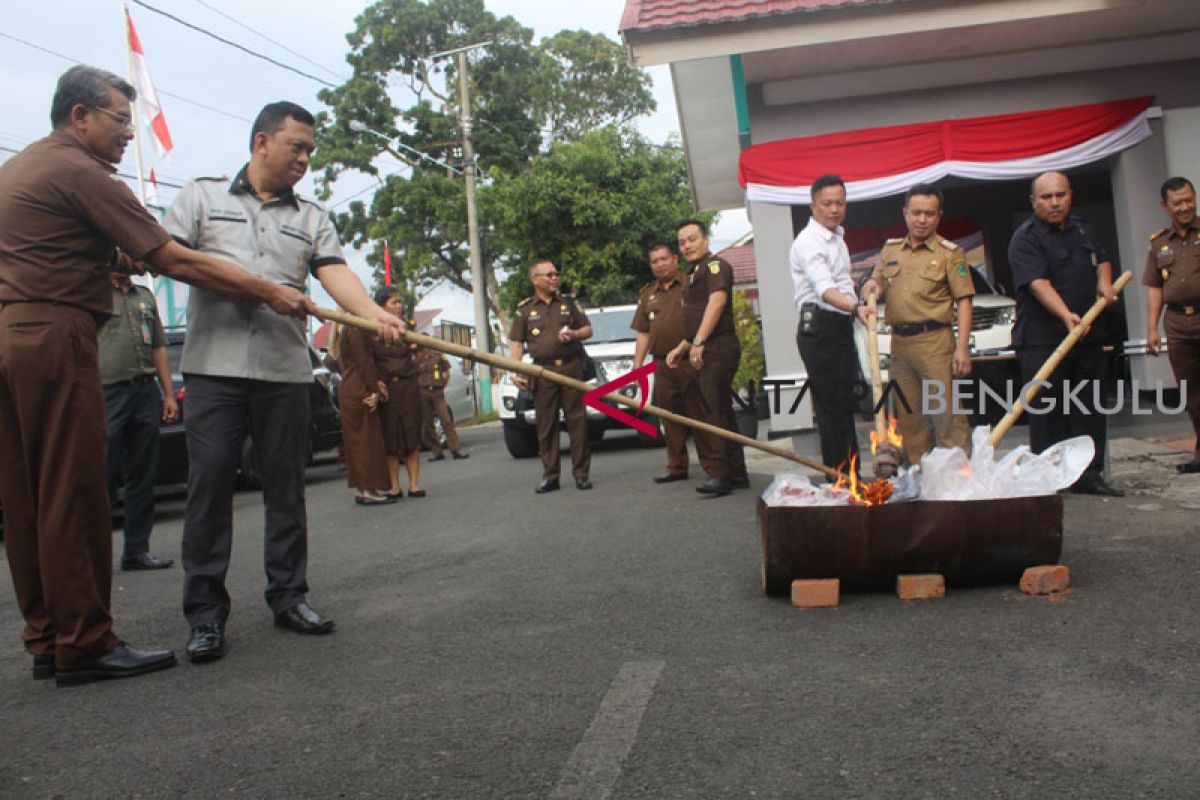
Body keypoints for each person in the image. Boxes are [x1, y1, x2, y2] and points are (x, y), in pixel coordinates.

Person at [0, 65, 318, 686]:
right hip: (55, 336)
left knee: (27, 498)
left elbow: (110, 252)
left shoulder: (21, 168)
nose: (127, 134)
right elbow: (168, 256)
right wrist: (265, 289)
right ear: (80, 117)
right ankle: (85, 642)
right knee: (75, 492)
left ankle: (46, 635)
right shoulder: (80, 172)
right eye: (121, 120)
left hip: (13, 333)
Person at [162, 101, 403, 664]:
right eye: (296, 146)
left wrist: (376, 314)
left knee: (286, 492)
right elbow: (170, 258)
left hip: (284, 372)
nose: (304, 159)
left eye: (310, 151)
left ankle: (289, 596)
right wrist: (258, 288)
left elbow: (335, 273)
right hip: (214, 371)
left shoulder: (312, 216)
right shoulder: (202, 197)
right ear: (261, 141)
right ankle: (204, 615)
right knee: (209, 491)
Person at [1008, 170, 1123, 497]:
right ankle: (1048, 479)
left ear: (1070, 195)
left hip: (1088, 335)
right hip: (1044, 339)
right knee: (1048, 409)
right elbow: (1037, 283)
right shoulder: (1025, 237)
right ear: (1034, 201)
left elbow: (1102, 259)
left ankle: (1089, 474)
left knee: (1088, 406)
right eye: (1047, 197)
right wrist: (1065, 316)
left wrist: (1104, 280)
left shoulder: (1082, 227)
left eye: (1061, 195)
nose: (1055, 202)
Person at [860, 184, 975, 463]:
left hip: (935, 343)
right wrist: (871, 287)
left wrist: (962, 348)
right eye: (916, 213)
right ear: (905, 214)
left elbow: (964, 300)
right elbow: (877, 281)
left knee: (946, 416)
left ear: (938, 217)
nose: (922, 219)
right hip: (900, 346)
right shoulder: (890, 251)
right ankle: (920, 481)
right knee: (911, 419)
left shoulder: (950, 253)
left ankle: (960, 481)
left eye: (929, 213)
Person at [787, 174, 871, 476]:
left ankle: (851, 474)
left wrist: (862, 295)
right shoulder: (809, 242)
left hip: (840, 324)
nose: (834, 209)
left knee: (845, 405)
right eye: (827, 204)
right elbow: (825, 289)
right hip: (820, 328)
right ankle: (839, 476)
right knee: (831, 408)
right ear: (813, 205)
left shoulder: (838, 238)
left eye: (839, 203)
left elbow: (844, 285)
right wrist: (855, 308)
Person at [99, 271, 179, 570]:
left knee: (142, 475)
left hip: (145, 391)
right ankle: (95, 555)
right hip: (106, 392)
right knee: (101, 475)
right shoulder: (93, 290)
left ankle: (136, 550)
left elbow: (158, 346)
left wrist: (168, 394)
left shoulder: (144, 296)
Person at [665, 220, 749, 496]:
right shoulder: (694, 273)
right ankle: (737, 473)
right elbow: (697, 316)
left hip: (717, 348)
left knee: (712, 411)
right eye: (682, 242)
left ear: (706, 239)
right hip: (705, 346)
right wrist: (683, 346)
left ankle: (720, 473)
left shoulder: (715, 267)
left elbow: (717, 303)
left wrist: (699, 342)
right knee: (721, 409)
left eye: (692, 239)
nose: (687, 245)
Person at [508, 259, 594, 493]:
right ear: (535, 279)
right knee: (546, 426)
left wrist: (574, 334)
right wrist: (515, 372)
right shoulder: (524, 309)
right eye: (549, 275)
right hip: (542, 372)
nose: (555, 278)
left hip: (570, 368)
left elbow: (588, 329)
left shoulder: (568, 302)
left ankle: (581, 474)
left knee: (578, 422)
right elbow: (516, 344)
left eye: (556, 274)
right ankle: (550, 476)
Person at [633, 242, 712, 483]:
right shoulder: (648, 293)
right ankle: (676, 466)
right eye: (655, 261)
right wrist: (638, 364)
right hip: (661, 364)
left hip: (690, 360)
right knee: (669, 416)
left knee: (698, 414)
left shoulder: (690, 284)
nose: (660, 264)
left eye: (664, 259)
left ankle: (711, 467)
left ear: (675, 259)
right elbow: (643, 331)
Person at [1144, 176, 1200, 473]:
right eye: (1177, 203)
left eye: (1189, 200)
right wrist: (1152, 328)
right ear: (1165, 206)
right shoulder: (1158, 244)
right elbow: (1155, 288)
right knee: (1191, 392)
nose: (1185, 207)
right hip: (1178, 324)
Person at [329, 322, 393, 505]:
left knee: (356, 442)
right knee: (367, 440)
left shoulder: (344, 329)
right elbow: (364, 360)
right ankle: (369, 490)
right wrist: (374, 389)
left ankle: (362, 489)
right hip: (359, 388)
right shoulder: (355, 328)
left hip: (349, 388)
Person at [374, 288, 425, 497]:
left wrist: (412, 366)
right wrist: (376, 382)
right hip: (387, 390)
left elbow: (421, 351)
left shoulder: (408, 327)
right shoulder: (372, 327)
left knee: (411, 437)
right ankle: (394, 486)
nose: (399, 306)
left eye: (400, 302)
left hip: (409, 387)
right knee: (391, 440)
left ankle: (414, 484)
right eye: (394, 302)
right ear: (382, 305)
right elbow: (368, 359)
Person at [417, 346, 468, 462]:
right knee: (428, 423)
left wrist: (441, 385)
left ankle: (455, 450)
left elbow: (447, 372)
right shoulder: (417, 357)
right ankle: (437, 452)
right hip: (423, 393)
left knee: (446, 421)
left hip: (437, 393)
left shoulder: (438, 356)